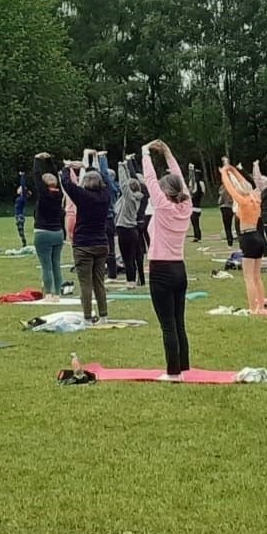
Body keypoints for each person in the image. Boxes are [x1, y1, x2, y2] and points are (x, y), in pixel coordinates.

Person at [142, 139, 194, 380]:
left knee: (168, 325)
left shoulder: (162, 206)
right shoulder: (187, 206)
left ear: (165, 193)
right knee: (179, 322)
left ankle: (174, 373)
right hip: (179, 269)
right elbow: (180, 179)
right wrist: (168, 154)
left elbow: (151, 180)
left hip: (161, 270)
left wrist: (145, 153)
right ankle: (183, 367)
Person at [62, 151, 113, 323]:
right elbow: (106, 179)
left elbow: (66, 183)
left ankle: (86, 317)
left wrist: (67, 167)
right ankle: (104, 316)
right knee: (99, 282)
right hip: (101, 243)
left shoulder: (83, 196)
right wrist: (88, 167)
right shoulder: (106, 196)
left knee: (85, 283)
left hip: (83, 244)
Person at [219, 156, 266, 313]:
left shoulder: (243, 201)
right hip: (258, 237)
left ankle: (253, 308)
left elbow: (229, 186)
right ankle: (261, 306)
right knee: (257, 276)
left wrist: (225, 172)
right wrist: (233, 169)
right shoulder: (255, 199)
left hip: (248, 238)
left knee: (248, 277)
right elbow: (244, 183)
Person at [31, 153, 66, 300]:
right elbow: (55, 177)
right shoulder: (59, 194)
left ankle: (49, 294)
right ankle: (57, 293)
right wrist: (50, 161)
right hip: (58, 233)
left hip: (43, 233)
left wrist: (37, 160)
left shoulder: (44, 194)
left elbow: (36, 176)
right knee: (56, 264)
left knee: (46, 266)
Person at [114, 169, 146, 287]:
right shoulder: (136, 197)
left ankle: (131, 281)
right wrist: (126, 167)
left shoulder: (130, 198)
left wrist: (121, 166)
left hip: (125, 230)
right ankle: (139, 279)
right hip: (132, 230)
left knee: (127, 258)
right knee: (134, 256)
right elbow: (126, 183)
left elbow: (123, 184)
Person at [218, 172, 236, 248]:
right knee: (231, 223)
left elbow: (221, 197)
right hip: (231, 206)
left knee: (227, 225)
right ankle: (231, 239)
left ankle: (230, 241)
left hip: (225, 206)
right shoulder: (233, 186)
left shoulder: (224, 187)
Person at [188, 166, 205, 242]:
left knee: (195, 223)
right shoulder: (201, 184)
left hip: (194, 208)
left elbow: (192, 191)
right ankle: (197, 236)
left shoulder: (198, 184)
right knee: (196, 223)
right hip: (198, 207)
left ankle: (197, 236)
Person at [14, 170, 29, 248]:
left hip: (20, 216)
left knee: (20, 230)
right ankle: (24, 242)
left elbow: (23, 186)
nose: (18, 188)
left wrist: (22, 176)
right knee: (20, 230)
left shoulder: (23, 197)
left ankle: (24, 242)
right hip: (18, 215)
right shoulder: (21, 197)